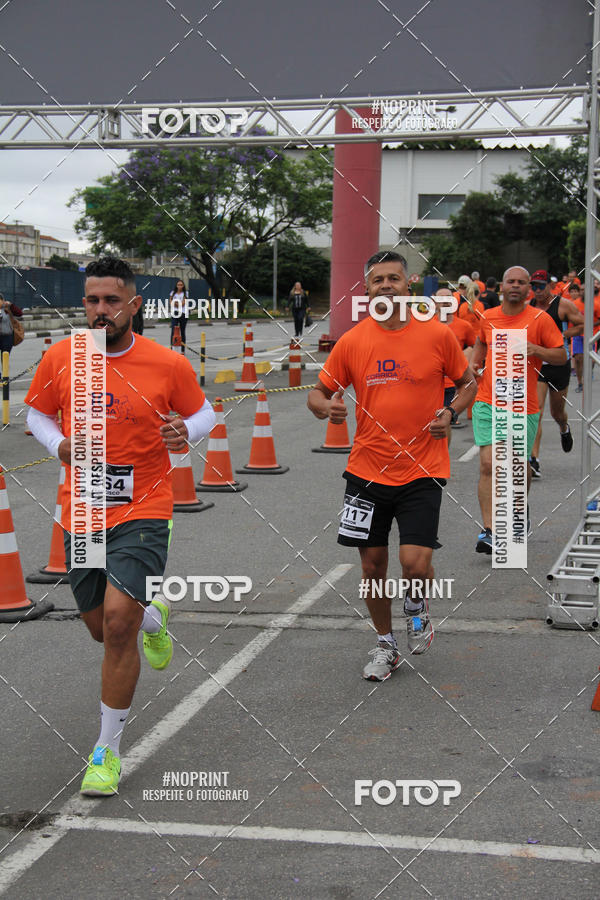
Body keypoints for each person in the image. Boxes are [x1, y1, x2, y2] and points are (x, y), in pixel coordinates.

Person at [25, 257, 216, 796]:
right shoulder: (63, 357)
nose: (101, 310)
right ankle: (154, 619)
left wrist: (186, 431)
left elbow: (204, 413)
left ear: (134, 305)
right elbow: (37, 415)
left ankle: (105, 751)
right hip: (83, 508)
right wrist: (57, 444)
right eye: (92, 300)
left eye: (112, 301)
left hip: (145, 507)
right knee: (98, 626)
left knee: (114, 624)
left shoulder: (166, 363)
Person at [307, 251, 477, 681]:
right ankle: (385, 643)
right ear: (367, 289)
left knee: (415, 564)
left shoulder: (436, 336)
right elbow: (316, 394)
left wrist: (451, 414)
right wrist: (327, 407)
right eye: (378, 280)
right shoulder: (352, 341)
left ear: (409, 285)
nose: (386, 286)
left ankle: (416, 605)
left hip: (424, 467)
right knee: (371, 566)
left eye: (394, 279)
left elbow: (468, 384)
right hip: (366, 470)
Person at [470, 266, 566, 553]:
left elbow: (561, 355)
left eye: (521, 283)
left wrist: (536, 350)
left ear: (528, 289)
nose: (515, 286)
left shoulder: (540, 319)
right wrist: (475, 363)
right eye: (510, 281)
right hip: (488, 401)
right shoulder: (487, 317)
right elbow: (480, 341)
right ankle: (490, 530)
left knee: (518, 469)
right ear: (502, 286)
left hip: (523, 405)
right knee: (488, 465)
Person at [528, 269, 583, 477]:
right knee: (537, 411)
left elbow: (581, 325)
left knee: (557, 413)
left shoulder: (563, 305)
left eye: (541, 286)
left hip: (559, 364)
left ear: (550, 286)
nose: (537, 290)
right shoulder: (530, 307)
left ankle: (564, 429)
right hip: (538, 365)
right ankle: (534, 460)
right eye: (534, 286)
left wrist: (563, 335)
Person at [435, 288, 476, 441]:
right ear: (434, 302)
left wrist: (470, 361)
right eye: (441, 298)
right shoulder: (424, 323)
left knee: (444, 422)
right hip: (429, 384)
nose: (444, 301)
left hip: (451, 384)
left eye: (448, 298)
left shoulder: (464, 326)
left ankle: (444, 458)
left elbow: (475, 346)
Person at [169, 279, 189, 353]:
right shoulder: (172, 293)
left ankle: (182, 350)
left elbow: (183, 303)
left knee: (182, 331)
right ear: (176, 286)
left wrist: (176, 303)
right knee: (173, 331)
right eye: (178, 285)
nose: (179, 286)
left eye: (181, 285)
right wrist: (177, 304)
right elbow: (171, 302)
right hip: (175, 313)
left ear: (183, 286)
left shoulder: (185, 293)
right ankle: (172, 348)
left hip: (183, 314)